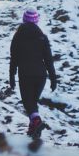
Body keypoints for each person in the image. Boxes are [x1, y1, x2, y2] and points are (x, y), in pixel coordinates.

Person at [9, 8, 57, 137]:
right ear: (36, 21)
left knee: (28, 102)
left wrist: (11, 76)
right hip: (41, 75)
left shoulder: (18, 36)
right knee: (33, 102)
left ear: (24, 19)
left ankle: (36, 121)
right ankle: (33, 129)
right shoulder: (42, 36)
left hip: (25, 74)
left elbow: (14, 57)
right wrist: (53, 79)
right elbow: (49, 60)